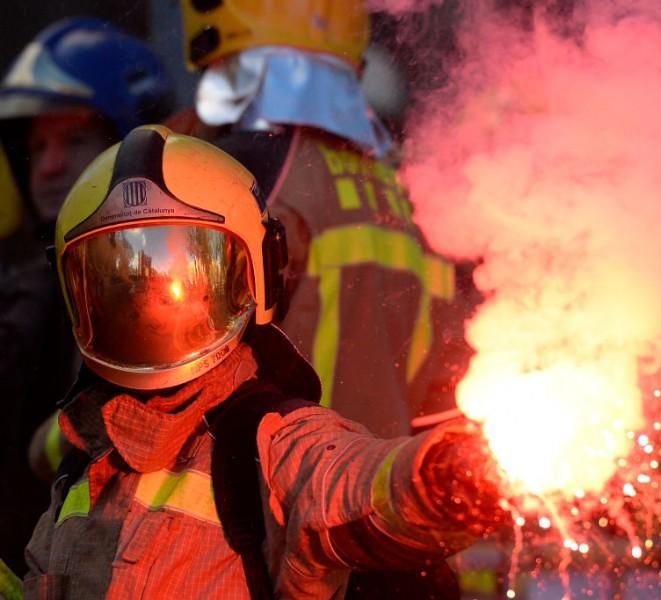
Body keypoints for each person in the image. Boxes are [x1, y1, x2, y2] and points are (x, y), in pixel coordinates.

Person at [14, 124, 503, 600]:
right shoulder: (85, 455)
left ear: (257, 273)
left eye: (181, 274)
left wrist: (446, 476)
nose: (151, 306)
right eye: (121, 282)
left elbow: (351, 481)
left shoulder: (269, 440)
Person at [176, 0, 473, 440]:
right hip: (383, 490)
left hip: (266, 496)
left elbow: (171, 368)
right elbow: (444, 398)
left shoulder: (242, 171)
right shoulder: (411, 188)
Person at [0, 17, 171, 577]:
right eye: (37, 145)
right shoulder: (25, 287)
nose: (47, 167)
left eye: (73, 140)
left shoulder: (171, 282)